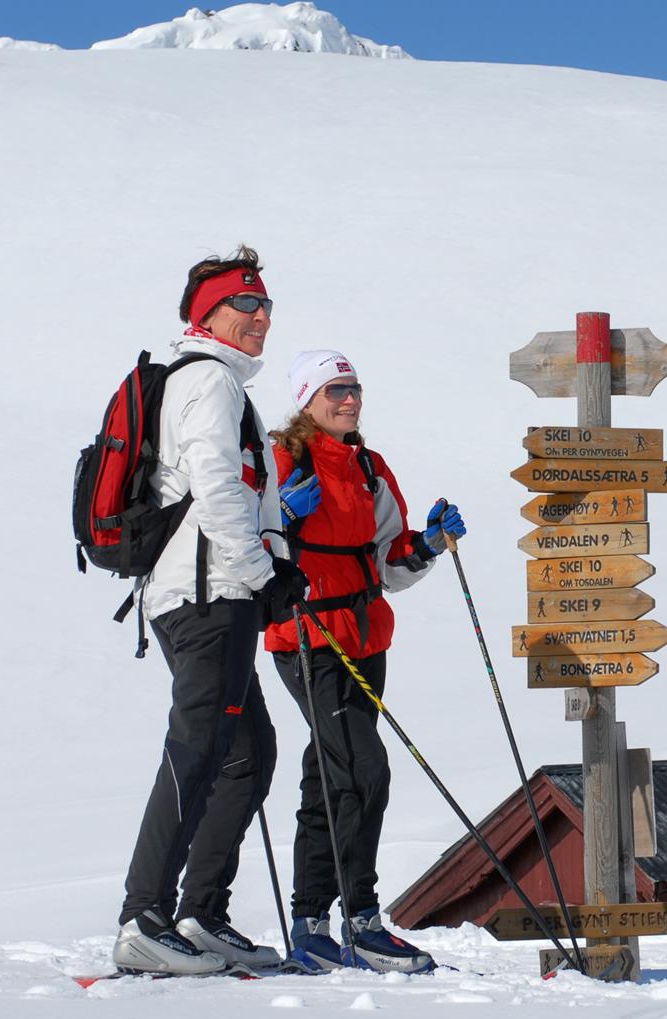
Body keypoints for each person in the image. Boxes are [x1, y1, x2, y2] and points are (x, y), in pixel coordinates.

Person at [111, 245, 310, 975]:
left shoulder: (216, 383)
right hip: (206, 594)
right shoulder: (211, 383)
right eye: (246, 306)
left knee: (246, 754)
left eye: (266, 307)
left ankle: (199, 914)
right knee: (198, 750)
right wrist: (263, 575)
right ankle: (144, 916)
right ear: (209, 315)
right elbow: (218, 488)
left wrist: (270, 570)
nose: (261, 319)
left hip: (212, 590)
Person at [264, 349, 467, 974]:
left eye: (353, 388)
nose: (348, 399)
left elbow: (386, 557)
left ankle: (311, 925)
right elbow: (238, 533)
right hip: (306, 631)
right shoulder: (282, 460)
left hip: (364, 634)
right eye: (334, 390)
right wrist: (277, 519)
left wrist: (427, 543)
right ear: (307, 398)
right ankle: (360, 921)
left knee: (330, 772)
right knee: (363, 769)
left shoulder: (369, 467)